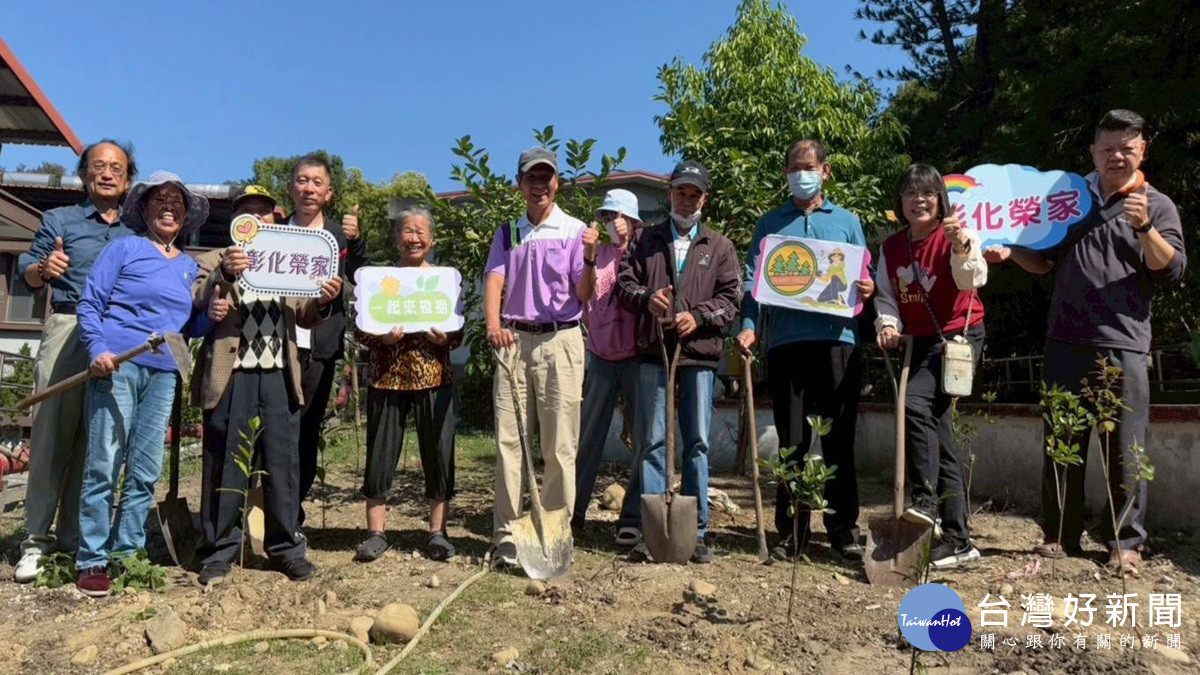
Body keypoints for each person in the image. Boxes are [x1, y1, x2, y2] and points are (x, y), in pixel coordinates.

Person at [983, 109, 1187, 573]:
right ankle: (1059, 535)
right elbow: (1043, 263)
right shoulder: (1067, 202)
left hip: (1125, 343)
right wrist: (1011, 251)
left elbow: (1172, 271)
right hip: (1065, 340)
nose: (1117, 156)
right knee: (1061, 442)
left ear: (1142, 151)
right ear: (1093, 153)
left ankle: (1125, 543)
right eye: (1107, 148)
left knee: (1126, 448)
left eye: (1127, 148)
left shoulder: (1156, 204)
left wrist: (1144, 229)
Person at [191, 185, 342, 585]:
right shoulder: (215, 259)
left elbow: (307, 315)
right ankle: (220, 550)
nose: (258, 220)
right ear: (236, 221)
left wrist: (324, 300)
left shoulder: (289, 259)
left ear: (276, 218)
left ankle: (285, 548)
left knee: (282, 463)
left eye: (265, 213)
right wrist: (225, 275)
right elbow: (196, 296)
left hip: (279, 371)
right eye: (248, 213)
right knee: (225, 462)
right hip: (232, 372)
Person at [736, 140, 874, 562]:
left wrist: (868, 290)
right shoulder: (769, 226)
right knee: (793, 441)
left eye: (809, 166)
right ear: (786, 174)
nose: (802, 173)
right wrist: (748, 327)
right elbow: (751, 284)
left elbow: (864, 278)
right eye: (794, 168)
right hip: (786, 345)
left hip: (838, 342)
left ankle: (843, 528)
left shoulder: (848, 223)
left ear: (825, 171)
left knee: (838, 440)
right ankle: (792, 532)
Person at [73, 172, 209, 596]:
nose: (169, 207)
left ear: (185, 216)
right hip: (118, 365)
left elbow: (187, 326)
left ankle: (126, 553)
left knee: (145, 468)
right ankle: (92, 558)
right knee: (105, 462)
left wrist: (212, 316)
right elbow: (90, 302)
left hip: (164, 371)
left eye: (177, 202)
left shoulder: (189, 267)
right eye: (160, 200)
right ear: (144, 209)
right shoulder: (125, 249)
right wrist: (97, 349)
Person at [13, 140, 136, 583]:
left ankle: (74, 541)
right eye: (98, 167)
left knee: (97, 441)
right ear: (84, 175)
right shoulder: (60, 220)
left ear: (128, 180)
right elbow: (26, 270)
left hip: (117, 338)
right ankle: (36, 543)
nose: (107, 174)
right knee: (50, 436)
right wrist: (44, 268)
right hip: (68, 328)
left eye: (116, 169)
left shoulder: (135, 233)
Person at [618, 160, 741, 564]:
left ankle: (697, 531)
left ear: (704, 198)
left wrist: (700, 316)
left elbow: (732, 298)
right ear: (669, 193)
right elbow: (624, 283)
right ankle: (653, 532)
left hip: (698, 356)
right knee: (653, 441)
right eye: (681, 192)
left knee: (697, 443)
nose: (687, 200)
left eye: (695, 194)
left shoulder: (719, 246)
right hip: (654, 352)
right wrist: (646, 299)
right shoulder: (647, 240)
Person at [875, 163, 987, 568]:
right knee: (940, 434)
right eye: (909, 194)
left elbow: (972, 280)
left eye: (926, 194)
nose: (918, 201)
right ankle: (959, 539)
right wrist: (888, 324)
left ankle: (925, 501)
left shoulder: (956, 233)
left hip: (958, 337)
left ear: (940, 199)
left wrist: (961, 246)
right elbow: (886, 297)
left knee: (915, 404)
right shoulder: (891, 247)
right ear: (899, 202)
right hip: (918, 341)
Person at [484, 147, 587, 568]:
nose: (539, 185)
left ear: (556, 183)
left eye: (546, 177)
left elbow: (585, 294)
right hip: (514, 342)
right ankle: (507, 533)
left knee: (560, 444)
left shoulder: (576, 230)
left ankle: (555, 532)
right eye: (531, 178)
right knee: (510, 440)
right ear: (520, 185)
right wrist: (493, 325)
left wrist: (595, 258)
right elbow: (494, 280)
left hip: (561, 341)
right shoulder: (508, 232)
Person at [354, 206, 461, 563]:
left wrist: (446, 338)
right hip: (387, 377)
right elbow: (360, 328)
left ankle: (437, 532)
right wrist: (380, 339)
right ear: (396, 238)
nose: (413, 238)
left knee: (439, 454)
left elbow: (458, 332)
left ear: (431, 239)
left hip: (435, 376)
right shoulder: (379, 280)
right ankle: (375, 532)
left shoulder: (445, 281)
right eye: (407, 231)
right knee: (380, 455)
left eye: (420, 232)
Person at [283, 155, 369, 524]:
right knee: (274, 426)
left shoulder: (338, 235)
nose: (309, 188)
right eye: (302, 180)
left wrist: (359, 240)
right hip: (278, 344)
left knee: (307, 427)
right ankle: (264, 506)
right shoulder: (275, 231)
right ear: (291, 188)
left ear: (329, 193)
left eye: (317, 182)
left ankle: (293, 512)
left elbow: (362, 276)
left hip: (320, 344)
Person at [572, 189, 644, 546]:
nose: (613, 221)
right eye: (607, 215)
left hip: (635, 357)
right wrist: (587, 255)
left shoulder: (644, 253)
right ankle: (574, 510)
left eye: (620, 215)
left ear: (633, 221)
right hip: (600, 355)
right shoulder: (596, 253)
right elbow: (583, 296)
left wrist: (627, 246)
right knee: (588, 436)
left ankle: (631, 515)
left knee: (643, 438)